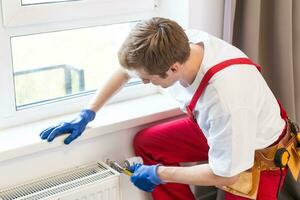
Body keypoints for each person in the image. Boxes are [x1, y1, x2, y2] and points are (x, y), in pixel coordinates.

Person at [40, 17, 297, 200]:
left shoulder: (224, 98)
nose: (142, 82)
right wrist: (88, 113)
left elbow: (227, 174)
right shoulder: (178, 43)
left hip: (255, 155)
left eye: (149, 79)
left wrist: (160, 173)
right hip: (217, 130)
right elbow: (127, 70)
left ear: (173, 68)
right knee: (149, 143)